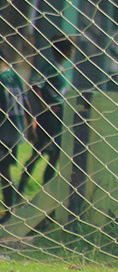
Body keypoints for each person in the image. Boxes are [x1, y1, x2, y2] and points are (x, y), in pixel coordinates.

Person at [18, 35, 75, 196]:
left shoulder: (61, 68)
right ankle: (20, 189)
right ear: (63, 50)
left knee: (56, 155)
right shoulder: (49, 66)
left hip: (59, 117)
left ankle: (46, 193)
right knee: (39, 153)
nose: (73, 52)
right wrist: (45, 107)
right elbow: (36, 86)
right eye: (72, 49)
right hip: (49, 117)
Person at [0, 45, 26, 223]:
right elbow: (24, 100)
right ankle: (11, 209)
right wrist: (29, 126)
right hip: (14, 128)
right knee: (5, 170)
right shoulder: (13, 75)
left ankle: (10, 210)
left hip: (3, 130)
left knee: (4, 171)